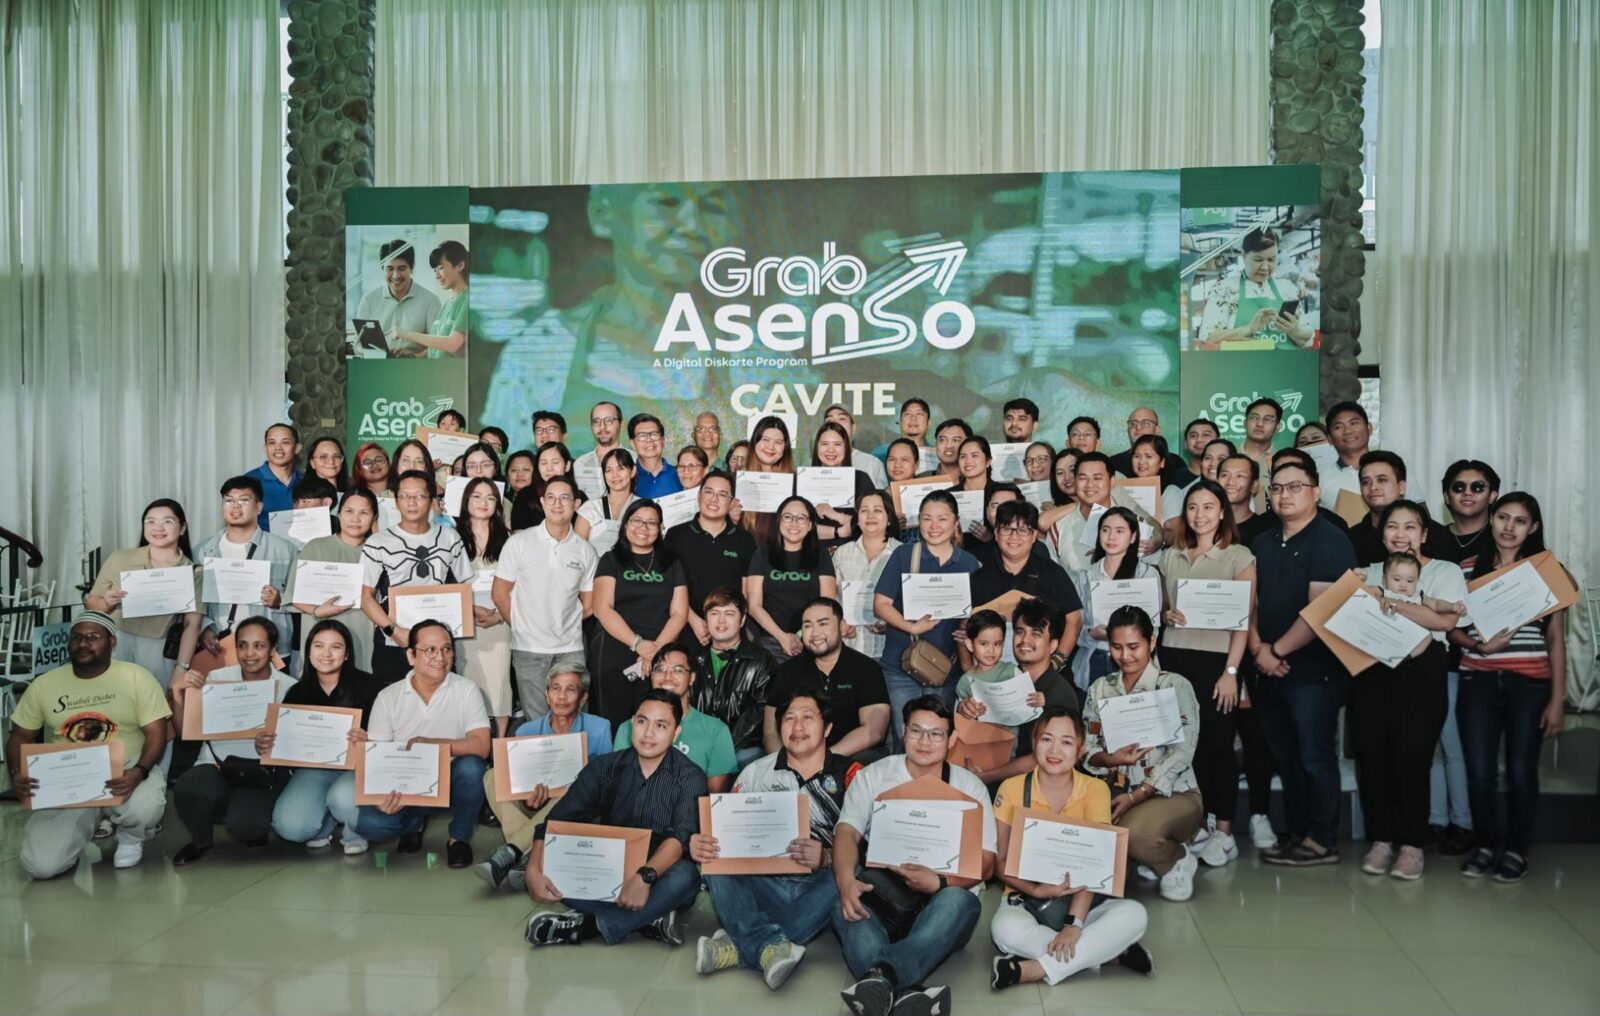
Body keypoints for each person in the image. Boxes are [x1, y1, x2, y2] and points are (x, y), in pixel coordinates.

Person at [832, 695, 996, 1016]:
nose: (925, 741)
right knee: (843, 902)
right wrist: (846, 881)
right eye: (916, 731)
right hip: (885, 896)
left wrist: (940, 881)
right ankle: (901, 991)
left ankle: (882, 978)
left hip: (941, 905)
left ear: (951, 740)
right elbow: (847, 833)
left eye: (936, 734)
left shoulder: (970, 786)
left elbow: (987, 862)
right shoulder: (873, 776)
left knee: (959, 901)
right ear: (903, 732)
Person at [692, 688, 862, 990]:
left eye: (807, 718)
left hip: (821, 883)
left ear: (827, 728)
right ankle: (768, 946)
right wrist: (703, 843)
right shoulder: (756, 772)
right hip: (765, 881)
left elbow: (870, 844)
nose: (797, 727)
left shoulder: (853, 775)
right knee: (717, 859)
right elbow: (726, 832)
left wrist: (826, 856)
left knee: (855, 873)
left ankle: (739, 943)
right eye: (789, 719)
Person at [523, 688, 707, 949]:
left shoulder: (691, 776)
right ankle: (649, 918)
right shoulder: (604, 767)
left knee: (686, 878)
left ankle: (588, 926)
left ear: (676, 732)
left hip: (660, 873)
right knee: (552, 865)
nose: (648, 733)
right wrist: (532, 870)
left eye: (661, 725)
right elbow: (555, 822)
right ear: (632, 723)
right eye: (642, 721)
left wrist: (644, 877)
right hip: (608, 869)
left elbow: (680, 838)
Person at [989, 706, 1153, 990]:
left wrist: (1073, 925)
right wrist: (1037, 890)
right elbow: (999, 861)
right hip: (1027, 901)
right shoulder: (1012, 788)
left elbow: (1095, 865)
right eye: (1046, 739)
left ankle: (1032, 969)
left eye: (1066, 742)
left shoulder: (1095, 790)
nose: (1055, 750)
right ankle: (1103, 954)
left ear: (1081, 749)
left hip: (1083, 904)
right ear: (1034, 742)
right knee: (1003, 929)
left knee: (1136, 914)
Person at [1347, 504, 1470, 881]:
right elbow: (1346, 609)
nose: (1400, 534)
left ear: (1424, 534)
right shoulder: (1369, 571)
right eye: (1392, 527)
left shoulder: (1444, 571)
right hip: (1372, 666)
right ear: (1382, 533)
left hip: (1423, 669)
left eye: (1410, 527)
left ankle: (1413, 844)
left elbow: (1445, 621)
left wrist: (1392, 602)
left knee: (1413, 754)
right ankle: (1381, 840)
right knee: (1371, 752)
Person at [1248, 459, 1357, 866]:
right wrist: (1258, 649)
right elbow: (1249, 602)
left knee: (1314, 756)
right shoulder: (1262, 541)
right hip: (1267, 667)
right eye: (1277, 488)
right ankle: (1297, 833)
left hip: (1313, 671)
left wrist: (1275, 651)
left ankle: (1321, 839)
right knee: (1287, 757)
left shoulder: (1330, 540)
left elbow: (1321, 611)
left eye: (1295, 486)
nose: (1284, 495)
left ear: (1316, 492)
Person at [1456, 493, 1569, 883]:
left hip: (1530, 686)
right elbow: (1451, 629)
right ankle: (1485, 844)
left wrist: (1557, 700)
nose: (1509, 527)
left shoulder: (1547, 571)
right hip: (1478, 681)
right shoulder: (1466, 569)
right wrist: (1478, 646)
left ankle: (1518, 849)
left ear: (1533, 527)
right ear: (1491, 520)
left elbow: (1556, 639)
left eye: (1520, 521)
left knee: (1521, 771)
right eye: (1503, 517)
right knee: (1480, 770)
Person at [6, 612, 171, 877]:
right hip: (67, 778)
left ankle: (132, 836)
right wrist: (16, 773)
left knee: (144, 807)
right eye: (77, 637)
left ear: (112, 642)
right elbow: (20, 736)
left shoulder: (136, 677)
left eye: (93, 637)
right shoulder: (44, 684)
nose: (84, 643)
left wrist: (139, 771)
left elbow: (156, 733)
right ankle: (79, 831)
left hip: (125, 768)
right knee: (41, 867)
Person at [1159, 479, 1255, 866]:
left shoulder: (1238, 556)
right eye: (1193, 507)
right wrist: (1166, 614)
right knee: (1185, 747)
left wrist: (1231, 671)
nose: (1200, 515)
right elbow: (1165, 608)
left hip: (1217, 662)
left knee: (1218, 745)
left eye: (1208, 507)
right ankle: (1199, 825)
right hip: (1175, 659)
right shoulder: (1171, 556)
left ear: (1222, 513)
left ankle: (1225, 832)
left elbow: (1244, 622)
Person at [1081, 607, 1203, 901]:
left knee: (1134, 835)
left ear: (1152, 642)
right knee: (1094, 859)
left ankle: (1175, 859)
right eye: (1117, 647)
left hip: (1173, 793)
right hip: (1116, 791)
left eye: (1133, 646)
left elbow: (1183, 750)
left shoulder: (1174, 685)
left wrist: (1139, 794)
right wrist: (1112, 759)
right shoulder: (1100, 689)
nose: (1125, 656)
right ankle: (1140, 855)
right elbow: (1088, 747)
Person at [352, 620, 491, 867]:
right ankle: (413, 824)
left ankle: (458, 838)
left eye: (447, 649)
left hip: (450, 781)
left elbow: (481, 746)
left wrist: (433, 744)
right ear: (411, 656)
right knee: (371, 824)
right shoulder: (388, 697)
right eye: (430, 650)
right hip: (405, 786)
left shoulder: (467, 689)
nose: (440, 657)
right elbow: (377, 759)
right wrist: (383, 800)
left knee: (472, 767)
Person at [475, 662, 613, 892]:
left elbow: (606, 782)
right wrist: (527, 798)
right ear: (547, 696)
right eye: (555, 688)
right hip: (533, 805)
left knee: (577, 787)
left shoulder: (599, 728)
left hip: (577, 811)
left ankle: (512, 851)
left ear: (583, 697)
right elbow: (518, 783)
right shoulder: (526, 731)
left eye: (571, 689)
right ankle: (527, 855)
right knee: (492, 775)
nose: (562, 696)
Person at [170, 616, 295, 866]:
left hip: (262, 772)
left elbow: (295, 748)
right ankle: (200, 840)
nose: (250, 654)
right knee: (188, 786)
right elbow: (184, 732)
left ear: (272, 650)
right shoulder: (216, 679)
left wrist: (273, 745)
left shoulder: (289, 688)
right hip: (216, 765)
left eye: (259, 646)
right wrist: (178, 691)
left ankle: (249, 821)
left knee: (246, 826)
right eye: (243, 645)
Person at [1428, 459, 1501, 854]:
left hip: (1484, 659)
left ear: (1493, 494)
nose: (1467, 494)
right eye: (1459, 487)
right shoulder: (1432, 537)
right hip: (1432, 653)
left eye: (1477, 487)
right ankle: (1436, 820)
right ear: (1446, 495)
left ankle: (1464, 823)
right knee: (1433, 744)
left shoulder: (1502, 537)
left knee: (1459, 747)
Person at [874, 491, 980, 742]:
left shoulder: (970, 564)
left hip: (948, 670)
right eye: (926, 518)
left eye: (942, 519)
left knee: (939, 740)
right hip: (901, 667)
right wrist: (911, 627)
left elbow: (978, 614)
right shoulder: (904, 555)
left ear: (956, 522)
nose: (934, 526)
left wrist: (970, 631)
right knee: (906, 739)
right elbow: (880, 604)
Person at [266, 619, 379, 855]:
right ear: (308, 652)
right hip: (314, 770)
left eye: (336, 647)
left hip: (358, 768)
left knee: (343, 800)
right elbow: (286, 746)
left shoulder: (371, 687)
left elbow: (390, 738)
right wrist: (269, 744)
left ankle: (355, 832)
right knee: (290, 826)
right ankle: (323, 824)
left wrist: (370, 740)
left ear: (347, 654)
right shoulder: (297, 692)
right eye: (318, 646)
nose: (326, 654)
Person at [493, 476, 598, 723]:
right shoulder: (519, 542)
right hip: (529, 649)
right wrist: (522, 626)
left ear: (576, 504)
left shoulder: (585, 550)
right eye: (551, 497)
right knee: (537, 722)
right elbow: (499, 593)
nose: (557, 504)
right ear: (542, 502)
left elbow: (589, 604)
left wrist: (564, 624)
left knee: (573, 719)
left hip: (570, 649)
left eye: (564, 498)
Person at [359, 469, 473, 684]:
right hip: (394, 642)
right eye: (405, 496)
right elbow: (365, 597)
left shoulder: (450, 538)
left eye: (420, 495)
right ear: (396, 501)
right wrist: (393, 630)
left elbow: (465, 587)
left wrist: (478, 612)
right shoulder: (377, 542)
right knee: (393, 700)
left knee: (442, 699)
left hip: (439, 644)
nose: (412, 502)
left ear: (432, 500)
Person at [586, 499, 689, 728]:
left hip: (659, 652)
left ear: (660, 529)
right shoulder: (610, 559)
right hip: (615, 649)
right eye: (637, 521)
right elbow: (602, 608)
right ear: (626, 525)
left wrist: (654, 650)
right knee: (613, 722)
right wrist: (638, 644)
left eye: (651, 523)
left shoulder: (672, 563)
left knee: (655, 720)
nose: (644, 527)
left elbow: (679, 613)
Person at [958, 599, 1081, 784]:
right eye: (1020, 632)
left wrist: (985, 777)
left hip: (1037, 788)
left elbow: (1041, 758)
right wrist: (965, 709)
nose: (1025, 640)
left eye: (1036, 634)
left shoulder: (1060, 694)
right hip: (992, 773)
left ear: (1053, 645)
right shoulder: (1003, 679)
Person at [85, 498, 204, 688]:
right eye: (150, 521)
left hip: (158, 650)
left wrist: (181, 668)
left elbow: (192, 625)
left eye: (167, 521)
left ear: (182, 528)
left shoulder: (193, 572)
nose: (158, 527)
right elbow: (92, 603)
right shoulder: (120, 557)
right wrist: (107, 603)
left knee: (154, 702)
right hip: (116, 642)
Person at [191, 476, 300, 676]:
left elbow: (302, 599)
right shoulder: (202, 551)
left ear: (258, 507)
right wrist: (205, 628)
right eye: (228, 500)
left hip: (271, 649)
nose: (235, 506)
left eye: (244, 500)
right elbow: (194, 601)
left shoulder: (285, 549)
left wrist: (280, 601)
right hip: (220, 647)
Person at [765, 598, 891, 759]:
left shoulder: (866, 668)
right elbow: (770, 732)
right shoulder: (788, 671)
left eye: (823, 624)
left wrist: (824, 760)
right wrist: (785, 762)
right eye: (808, 626)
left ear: (842, 626)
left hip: (852, 758)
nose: (815, 633)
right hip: (796, 760)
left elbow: (875, 730)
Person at [612, 642, 738, 791]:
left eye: (677, 670)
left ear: (691, 678)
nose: (667, 677)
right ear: (651, 675)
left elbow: (714, 796)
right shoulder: (628, 728)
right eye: (660, 669)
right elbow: (621, 787)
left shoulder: (716, 730)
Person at [284, 488, 379, 675]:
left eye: (364, 513)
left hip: (362, 632)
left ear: (374, 518)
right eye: (349, 511)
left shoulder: (378, 552)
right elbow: (293, 596)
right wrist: (317, 611)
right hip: (319, 631)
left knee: (358, 681)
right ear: (339, 514)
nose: (355, 519)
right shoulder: (315, 547)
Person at [1069, 507, 1158, 690]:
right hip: (1096, 659)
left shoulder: (1147, 574)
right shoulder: (1086, 577)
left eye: (1119, 531)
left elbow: (1154, 627)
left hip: (1135, 661)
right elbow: (1075, 625)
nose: (1111, 537)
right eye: (1105, 530)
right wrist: (1091, 634)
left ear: (1133, 537)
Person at [664, 470, 755, 644]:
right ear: (699, 495)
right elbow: (667, 585)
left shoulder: (744, 540)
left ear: (731, 503)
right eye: (709, 491)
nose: (714, 499)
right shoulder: (676, 535)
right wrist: (694, 621)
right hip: (683, 628)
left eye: (722, 494)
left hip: (729, 633)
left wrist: (725, 625)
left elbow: (746, 594)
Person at [689, 588, 776, 766]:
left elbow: (760, 711)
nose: (721, 621)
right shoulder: (693, 660)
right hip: (699, 746)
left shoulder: (761, 659)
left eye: (729, 613)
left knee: (748, 757)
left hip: (742, 746)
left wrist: (724, 745)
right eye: (714, 613)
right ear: (706, 619)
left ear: (742, 620)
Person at [747, 496, 839, 658]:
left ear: (810, 525)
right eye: (788, 517)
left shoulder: (821, 555)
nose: (794, 523)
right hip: (770, 641)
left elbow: (827, 602)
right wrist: (782, 637)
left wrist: (802, 635)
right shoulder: (762, 554)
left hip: (813, 639)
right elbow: (754, 605)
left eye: (801, 518)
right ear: (779, 521)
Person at [456, 478, 513, 735]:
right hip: (463, 621)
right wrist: (469, 610)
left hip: (499, 621)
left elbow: (521, 585)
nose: (484, 502)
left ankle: (499, 740)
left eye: (490, 497)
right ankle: (474, 738)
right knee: (467, 678)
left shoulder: (509, 539)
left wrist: (500, 616)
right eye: (477, 496)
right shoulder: (452, 537)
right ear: (466, 501)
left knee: (499, 682)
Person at [1196, 227, 1315, 350]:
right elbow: (1208, 337)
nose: (1265, 267)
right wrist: (1249, 329)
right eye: (1258, 260)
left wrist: (1295, 330)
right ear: (1243, 256)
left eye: (1271, 259)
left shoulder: (1286, 288)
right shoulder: (1224, 289)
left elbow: (1307, 339)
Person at [1038, 452, 1157, 574]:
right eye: (1082, 478)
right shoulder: (1058, 528)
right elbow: (1051, 576)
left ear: (1112, 481)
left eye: (1097, 478)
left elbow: (1155, 569)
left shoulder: (1137, 524)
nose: (1089, 484)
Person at [970, 501, 1083, 628]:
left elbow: (1074, 619)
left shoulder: (1053, 573)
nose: (1014, 537)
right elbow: (968, 624)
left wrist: (1060, 644)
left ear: (1034, 535)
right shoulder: (980, 577)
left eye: (1022, 530)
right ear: (996, 534)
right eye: (1007, 529)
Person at [831, 490, 902, 662]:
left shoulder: (902, 553)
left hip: (890, 652)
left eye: (878, 510)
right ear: (857, 518)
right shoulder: (842, 553)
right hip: (849, 647)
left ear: (889, 518)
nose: (870, 515)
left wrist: (892, 622)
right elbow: (832, 598)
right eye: (864, 510)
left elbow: (909, 602)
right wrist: (840, 623)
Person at [1350, 451, 1452, 564]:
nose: (1373, 487)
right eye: (1365, 482)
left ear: (1401, 487)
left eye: (1382, 480)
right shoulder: (1351, 538)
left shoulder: (1436, 534)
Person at [951, 610, 1032, 736]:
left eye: (997, 644)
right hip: (978, 739)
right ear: (970, 645)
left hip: (1010, 739)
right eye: (984, 644)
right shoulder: (965, 681)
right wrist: (965, 709)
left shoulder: (1012, 672)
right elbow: (961, 716)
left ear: (1003, 644)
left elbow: (1029, 706)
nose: (991, 650)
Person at [354, 238, 443, 351]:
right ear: (382, 268)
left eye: (402, 268)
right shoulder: (368, 300)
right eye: (390, 269)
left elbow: (438, 347)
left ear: (412, 267)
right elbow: (358, 345)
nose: (395, 276)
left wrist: (415, 357)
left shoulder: (431, 301)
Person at [390, 239, 469, 358]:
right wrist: (416, 357)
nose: (437, 276)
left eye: (441, 268)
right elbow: (439, 347)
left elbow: (453, 344)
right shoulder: (447, 304)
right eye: (435, 270)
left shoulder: (468, 300)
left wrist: (406, 334)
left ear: (460, 266)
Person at [810, 421, 878, 551]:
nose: (831, 450)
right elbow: (795, 526)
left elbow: (872, 522)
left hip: (852, 554)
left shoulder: (861, 479)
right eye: (824, 444)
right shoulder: (803, 479)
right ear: (816, 447)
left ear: (846, 447)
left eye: (837, 444)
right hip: (812, 554)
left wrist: (836, 515)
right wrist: (838, 531)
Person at [735, 415, 797, 545]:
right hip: (745, 552)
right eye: (766, 440)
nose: (771, 447)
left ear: (785, 448)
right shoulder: (737, 481)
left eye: (778, 442)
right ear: (755, 442)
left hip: (780, 553)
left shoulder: (795, 484)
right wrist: (730, 518)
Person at [574, 447, 639, 555]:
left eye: (620, 468)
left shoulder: (643, 508)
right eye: (608, 470)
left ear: (633, 471)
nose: (615, 475)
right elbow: (577, 552)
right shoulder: (590, 508)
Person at [1106, 408, 1191, 486]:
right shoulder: (1112, 463)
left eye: (1145, 423)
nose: (1138, 427)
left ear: (1157, 429)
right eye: (1133, 423)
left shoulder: (1176, 462)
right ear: (1128, 430)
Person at [246, 423, 303, 529]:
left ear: (297, 448)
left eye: (285, 442)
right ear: (265, 448)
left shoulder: (306, 481)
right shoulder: (248, 481)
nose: (278, 448)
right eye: (272, 443)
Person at [821, 403, 889, 487]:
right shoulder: (811, 466)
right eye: (829, 420)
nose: (835, 423)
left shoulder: (872, 464)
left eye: (842, 419)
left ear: (853, 428)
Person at [1318, 401, 1370, 508]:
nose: (1347, 431)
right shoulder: (1321, 480)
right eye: (1338, 427)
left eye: (1354, 423)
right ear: (1329, 438)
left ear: (1369, 428)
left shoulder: (1392, 469)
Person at [1239, 397, 1282, 511]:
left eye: (1268, 419)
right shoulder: (1229, 457)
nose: (1260, 424)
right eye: (1254, 418)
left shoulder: (1282, 462)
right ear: (1245, 423)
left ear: (1278, 427)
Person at [628, 412, 681, 498]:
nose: (649, 440)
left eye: (654, 434)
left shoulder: (681, 474)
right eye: (642, 436)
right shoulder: (626, 478)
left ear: (663, 440)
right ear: (633, 444)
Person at [871, 397, 932, 464]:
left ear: (929, 423)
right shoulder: (880, 454)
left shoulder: (937, 455)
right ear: (900, 422)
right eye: (908, 414)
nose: (913, 418)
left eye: (919, 414)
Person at [926, 418, 970, 483]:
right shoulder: (922, 478)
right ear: (936, 445)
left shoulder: (977, 479)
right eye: (942, 440)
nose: (949, 446)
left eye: (956, 440)